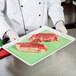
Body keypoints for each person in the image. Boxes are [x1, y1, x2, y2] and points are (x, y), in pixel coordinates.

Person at [0, 0, 67, 42]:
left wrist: (59, 22)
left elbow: (53, 4)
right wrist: (7, 31)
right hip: (15, 39)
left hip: (43, 37)